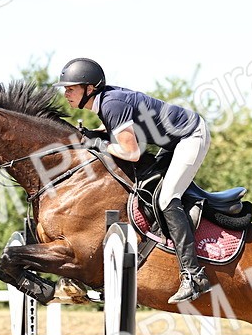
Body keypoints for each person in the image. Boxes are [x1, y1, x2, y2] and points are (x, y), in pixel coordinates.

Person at [56, 57, 211, 304]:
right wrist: (94, 135)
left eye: (70, 88)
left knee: (166, 198)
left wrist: (98, 142)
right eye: (65, 88)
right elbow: (120, 134)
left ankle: (194, 276)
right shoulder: (106, 102)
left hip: (191, 136)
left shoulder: (112, 105)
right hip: (173, 142)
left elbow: (131, 152)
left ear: (89, 88)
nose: (66, 93)